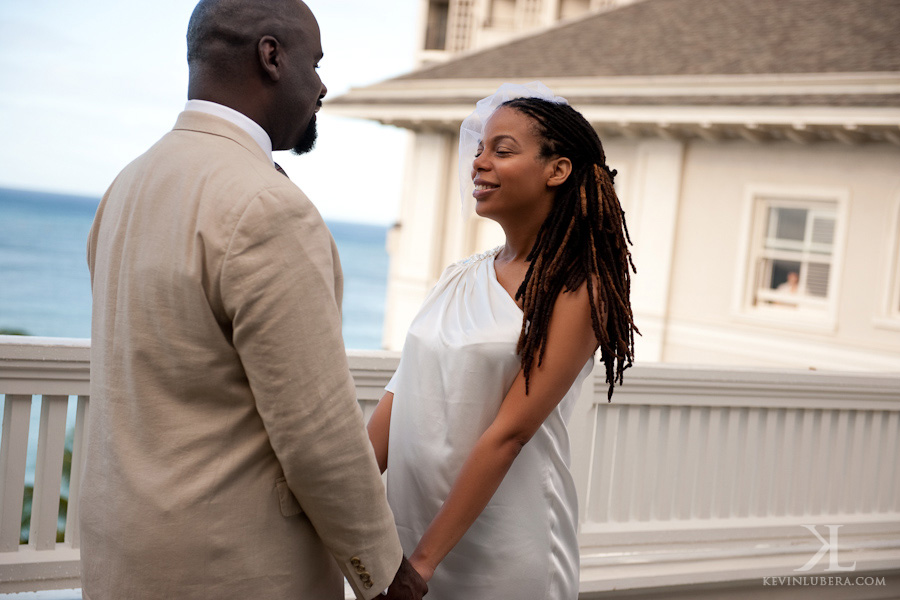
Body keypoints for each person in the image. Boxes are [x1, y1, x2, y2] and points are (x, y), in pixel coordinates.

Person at [81, 1, 426, 599]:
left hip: (123, 555)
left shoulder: (130, 182)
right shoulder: (264, 206)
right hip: (230, 567)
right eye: (315, 63)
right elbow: (317, 432)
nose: (321, 85)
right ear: (271, 56)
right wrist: (383, 573)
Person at [367, 82, 638, 598]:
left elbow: (509, 435)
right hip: (409, 529)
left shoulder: (576, 287)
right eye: (479, 149)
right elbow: (398, 397)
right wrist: (337, 503)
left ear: (557, 170)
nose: (479, 163)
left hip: (501, 546)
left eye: (503, 150)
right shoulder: (459, 275)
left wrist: (422, 565)